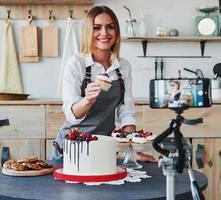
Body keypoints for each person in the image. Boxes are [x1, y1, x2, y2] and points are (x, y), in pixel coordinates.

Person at [52, 6, 155, 162]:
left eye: (110, 27)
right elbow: (71, 115)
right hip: (73, 147)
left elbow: (125, 112)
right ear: (88, 31)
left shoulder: (123, 67)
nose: (104, 33)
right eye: (97, 28)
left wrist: (131, 149)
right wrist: (87, 100)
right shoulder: (76, 64)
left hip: (105, 146)